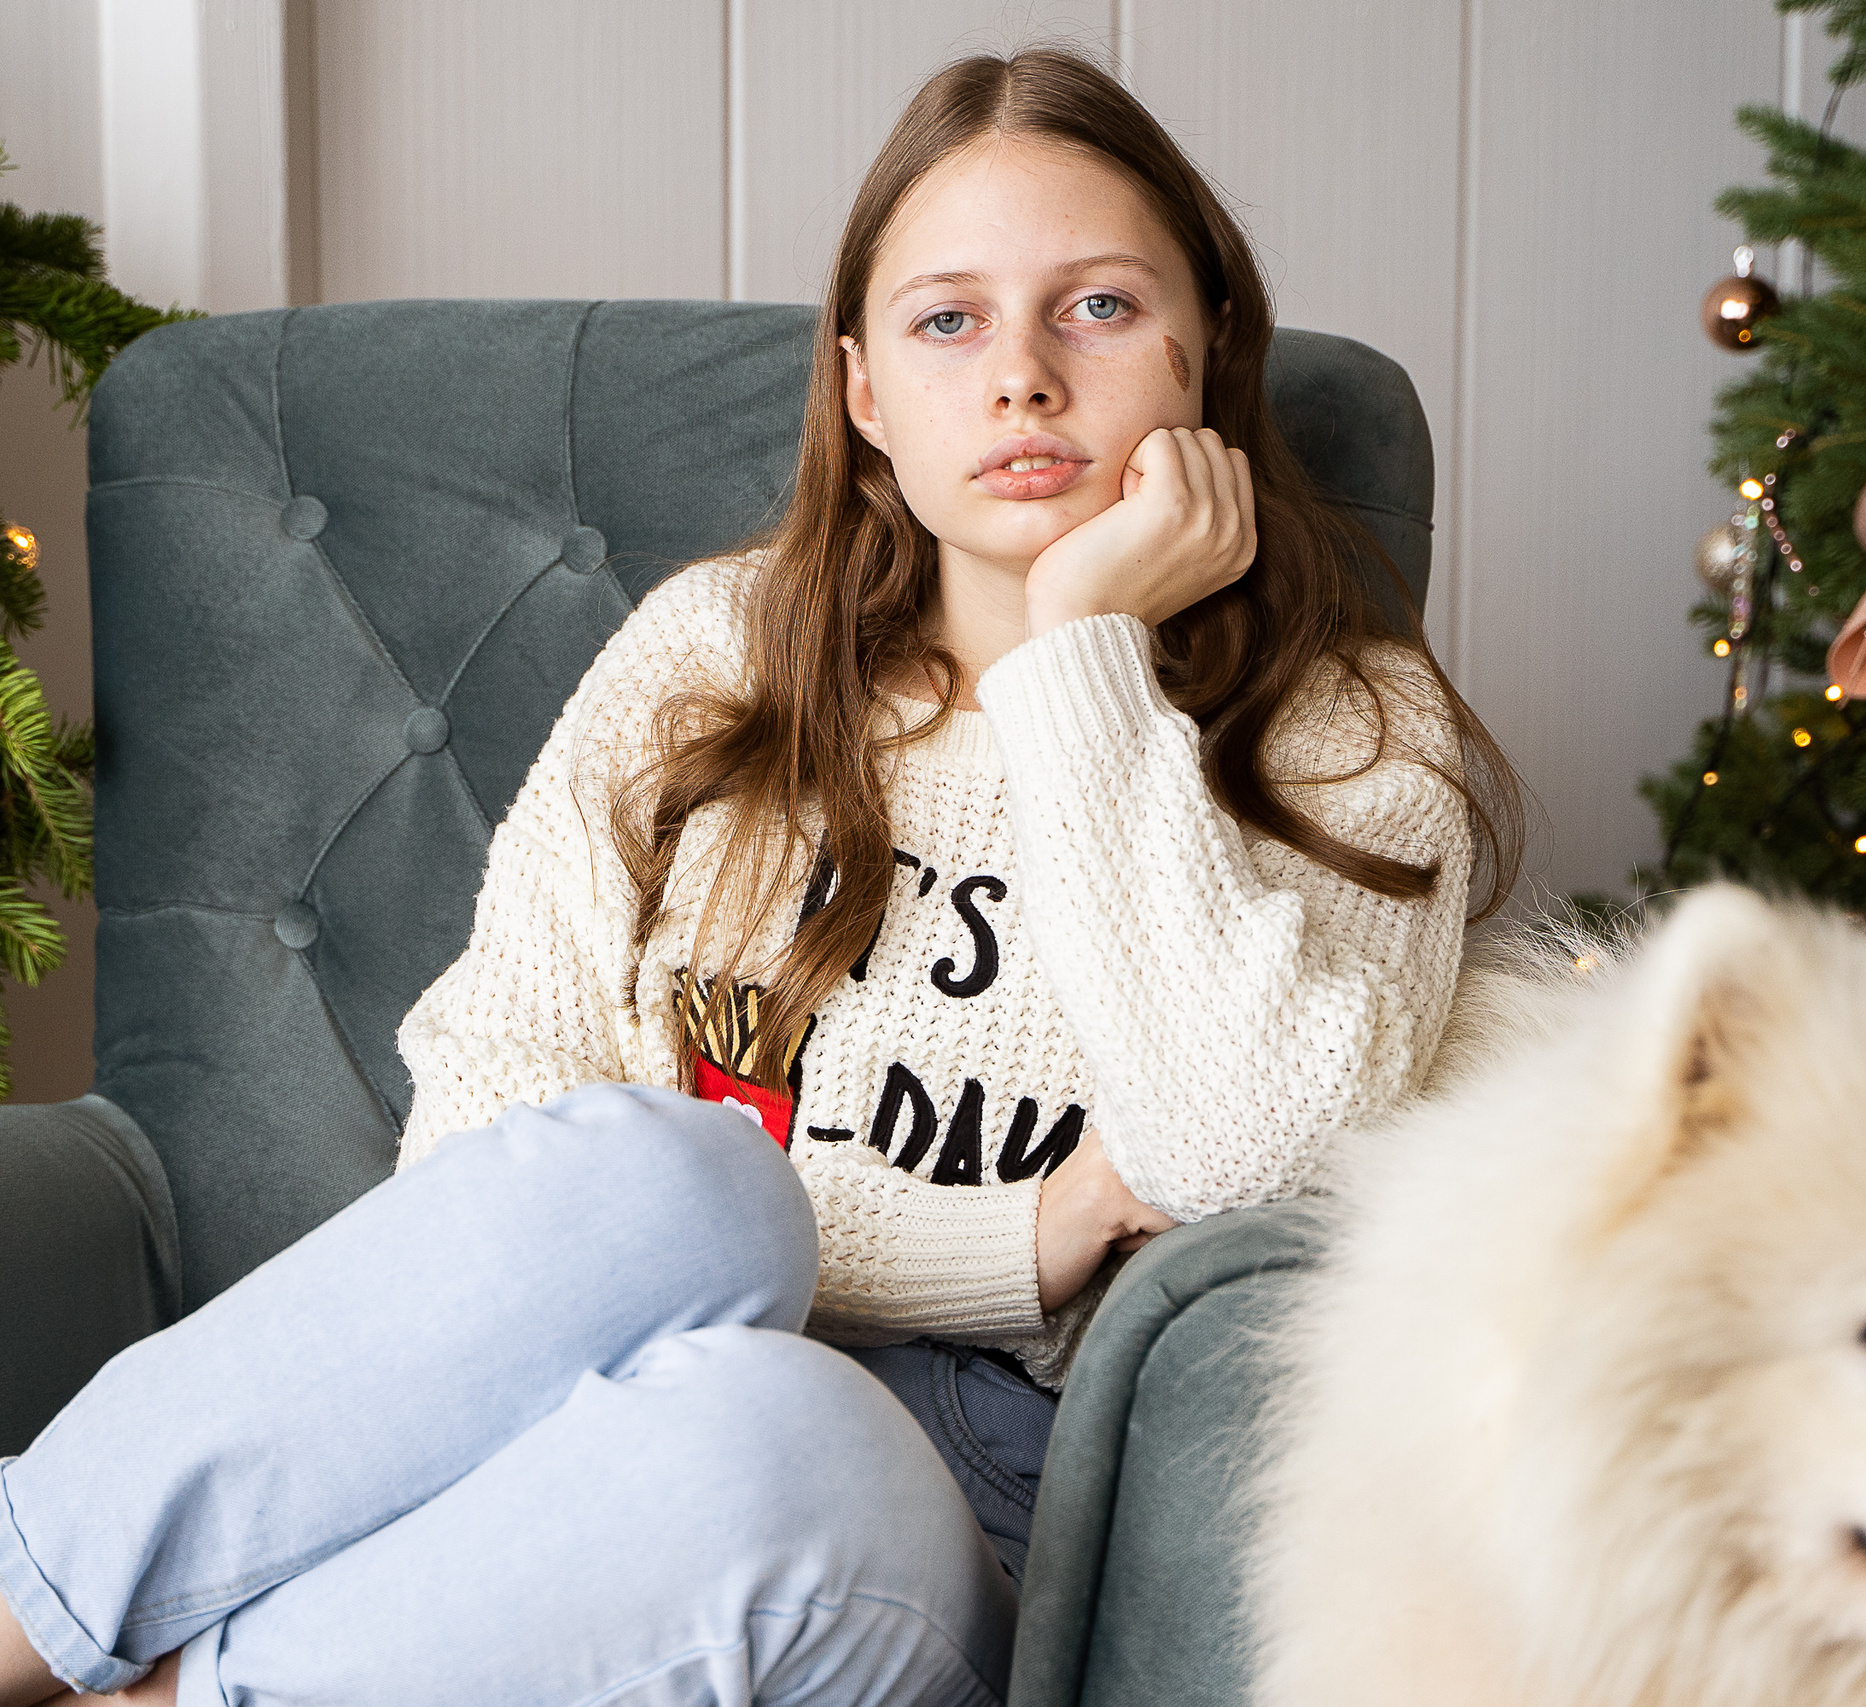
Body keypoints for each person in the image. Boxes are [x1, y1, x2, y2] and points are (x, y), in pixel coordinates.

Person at [0, 42, 1520, 1707]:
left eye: (1095, 308)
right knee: (671, 1183)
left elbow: (1245, 1163)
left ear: (1207, 352)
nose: (1022, 376)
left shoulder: (1356, 736)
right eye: (951, 321)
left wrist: (1084, 646)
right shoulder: (717, 653)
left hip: (965, 1514)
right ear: (867, 392)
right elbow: (490, 1128)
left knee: (778, 1416)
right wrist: (1011, 1242)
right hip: (574, 1430)